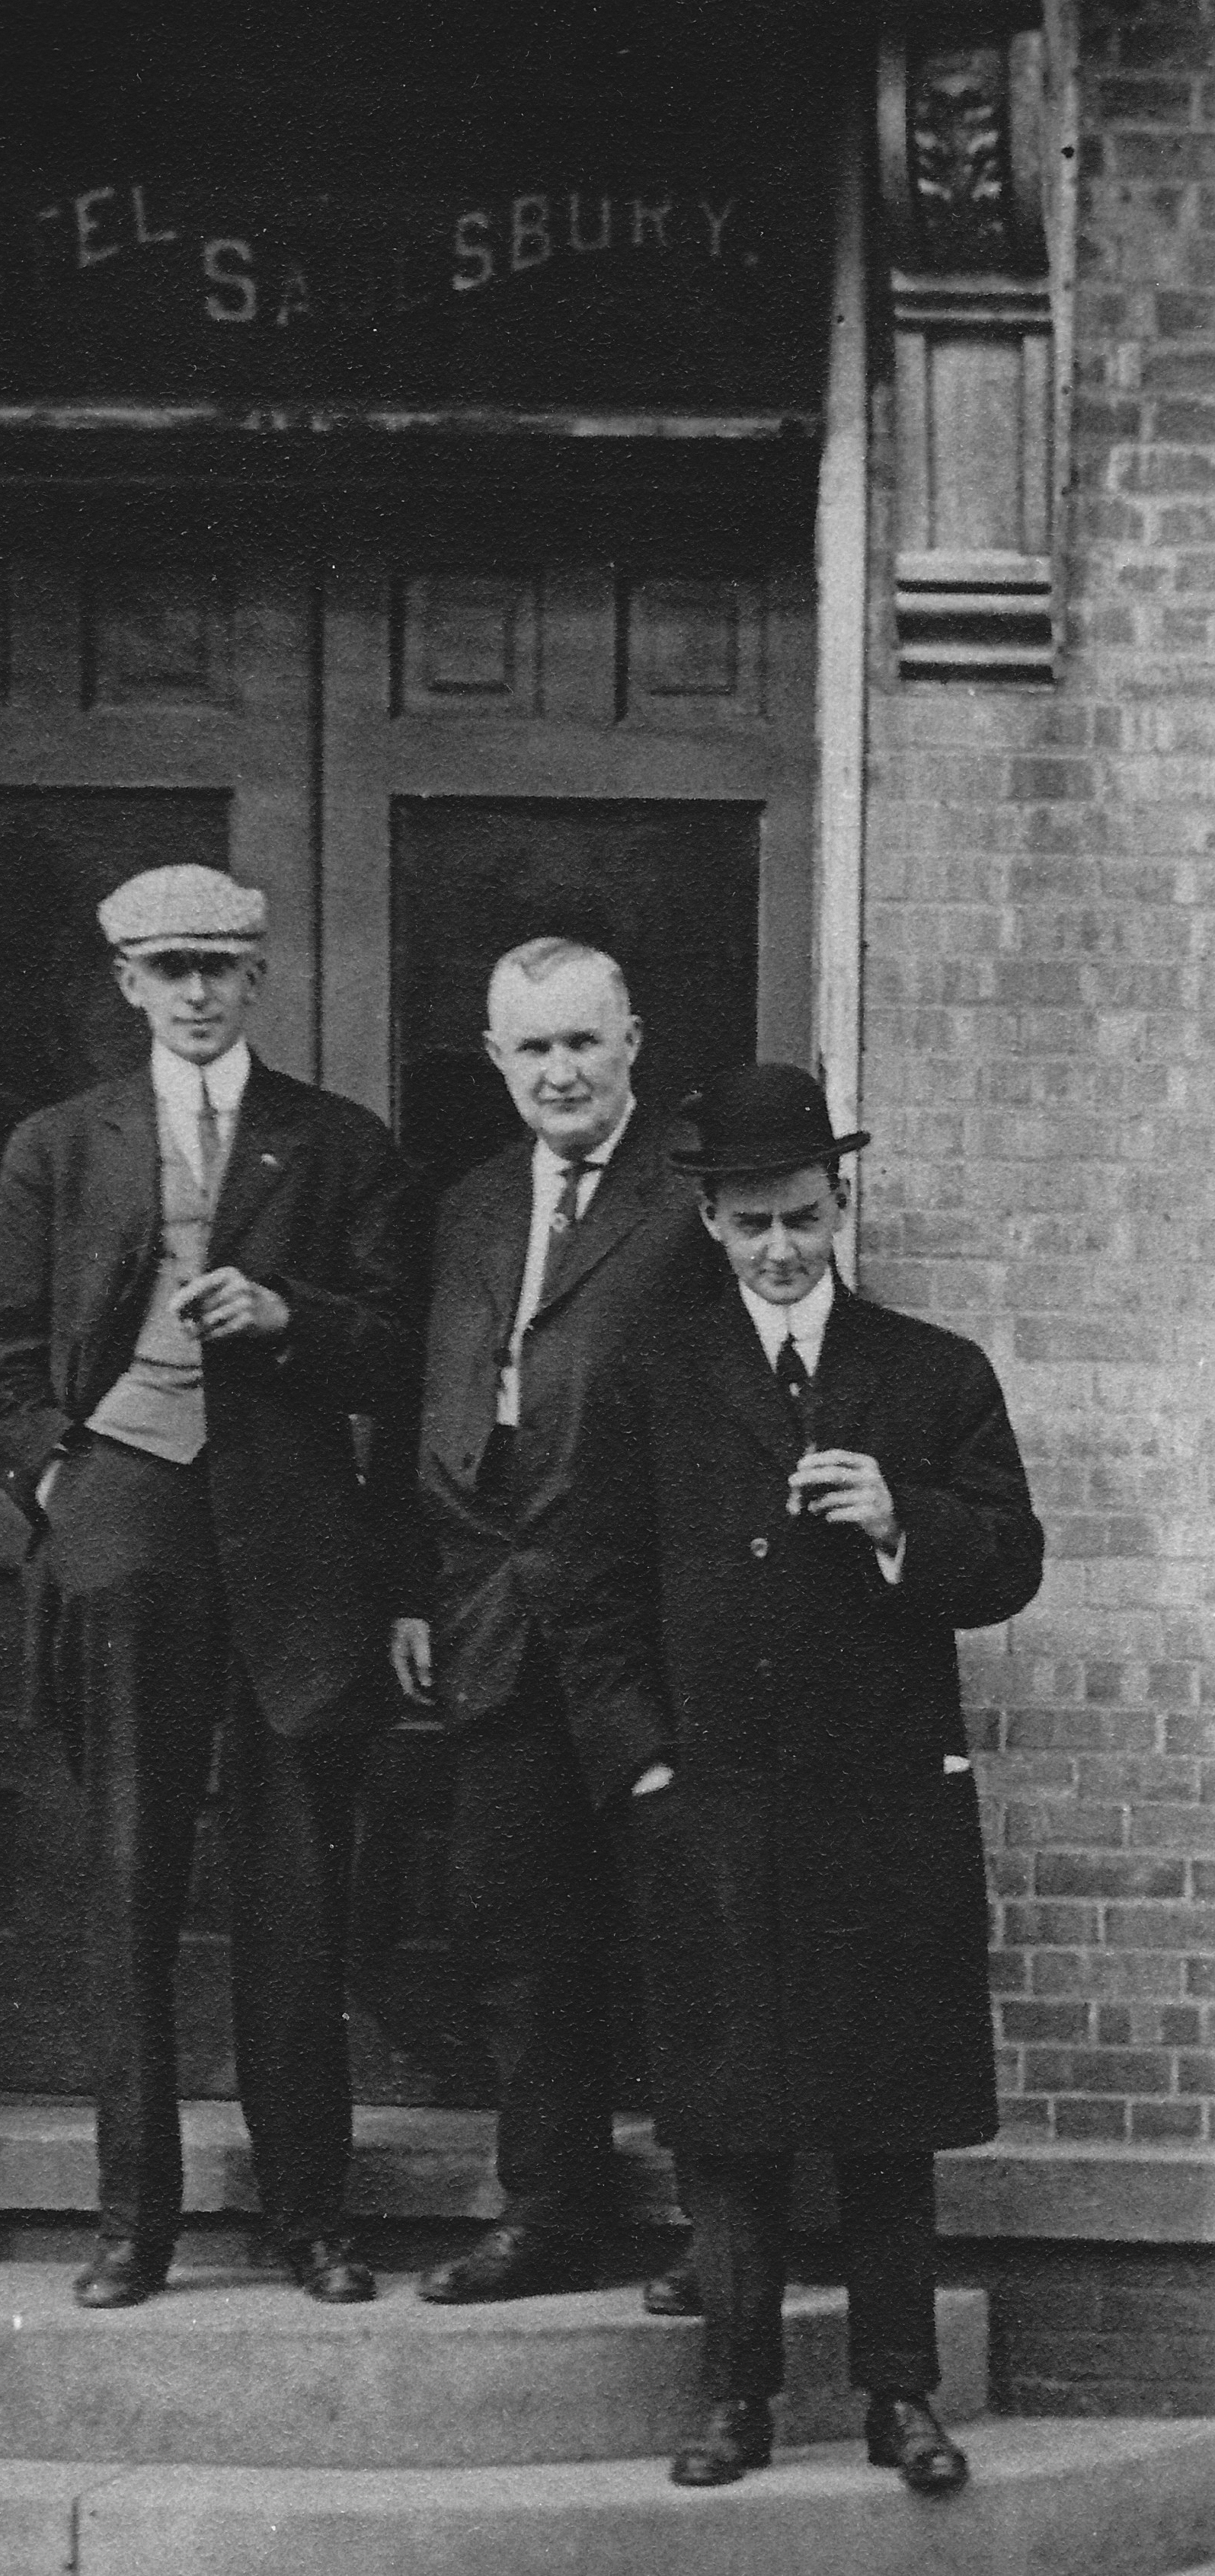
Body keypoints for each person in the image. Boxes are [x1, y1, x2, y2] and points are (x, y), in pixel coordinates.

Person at [561, 1061, 1044, 2491]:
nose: (782, 1248)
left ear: (840, 1205)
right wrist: (642, 1767)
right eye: (754, 1222)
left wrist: (910, 1522)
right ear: (709, 1220)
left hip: (884, 1798)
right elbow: (583, 1588)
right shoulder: (650, 1371)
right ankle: (737, 2398)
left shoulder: (930, 1371)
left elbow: (1011, 1560)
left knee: (888, 2109)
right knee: (726, 2112)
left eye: (805, 1218)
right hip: (710, 1802)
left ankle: (901, 2395)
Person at [0, 863, 421, 2309]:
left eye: (222, 965)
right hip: (127, 1530)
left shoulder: (336, 1145)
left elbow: (403, 1354)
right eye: (170, 969)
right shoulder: (57, 1144)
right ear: (126, 984)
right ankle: (131, 2221)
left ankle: (310, 2218)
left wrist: (292, 1316)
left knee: (296, 1893)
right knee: (128, 1882)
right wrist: (63, 1479)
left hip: (293, 1550)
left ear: (260, 975)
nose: (199, 991)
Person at [391, 938, 711, 2303]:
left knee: (684, 1925)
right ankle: (548, 2211)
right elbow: (427, 1404)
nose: (560, 1071)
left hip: (646, 1621)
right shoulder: (465, 1206)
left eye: (583, 1041)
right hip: (493, 1615)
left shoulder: (691, 1192)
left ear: (632, 1039)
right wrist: (414, 1584)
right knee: (516, 1931)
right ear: (496, 1060)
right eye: (532, 1049)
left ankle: (724, 2225)